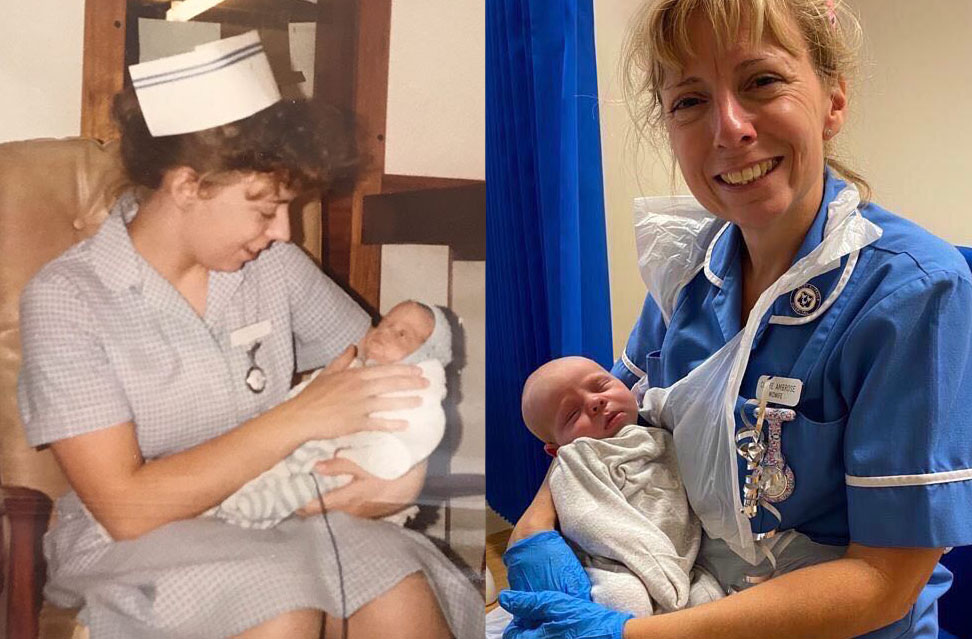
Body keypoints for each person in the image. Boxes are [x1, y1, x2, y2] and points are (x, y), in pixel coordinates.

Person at [499, 1, 972, 638]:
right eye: (689, 100)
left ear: (833, 99)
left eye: (762, 81)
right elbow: (605, 432)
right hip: (686, 597)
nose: (729, 128)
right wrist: (534, 535)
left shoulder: (912, 291)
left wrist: (626, 635)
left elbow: (885, 581)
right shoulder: (687, 273)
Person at [17, 32, 481, 638]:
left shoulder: (272, 268)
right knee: (277, 604)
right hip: (136, 538)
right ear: (188, 186)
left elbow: (391, 371)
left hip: (282, 513)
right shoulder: (70, 299)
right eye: (265, 209)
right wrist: (298, 419)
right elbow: (125, 508)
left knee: (397, 592)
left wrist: (399, 479)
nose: (285, 232)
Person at [209, 300, 453, 529]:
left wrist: (395, 468)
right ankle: (232, 503)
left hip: (344, 466)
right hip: (298, 445)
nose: (384, 332)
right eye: (383, 323)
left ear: (424, 358)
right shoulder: (351, 367)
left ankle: (249, 509)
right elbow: (299, 399)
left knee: (309, 484)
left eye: (402, 334)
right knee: (271, 469)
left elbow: (418, 433)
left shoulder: (412, 391)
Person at [517, 356, 723, 616]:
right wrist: (655, 566)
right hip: (616, 564)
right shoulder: (579, 457)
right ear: (556, 449)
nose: (595, 402)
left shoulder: (662, 434)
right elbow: (590, 518)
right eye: (571, 414)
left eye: (601, 385)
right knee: (624, 597)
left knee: (711, 602)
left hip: (683, 564)